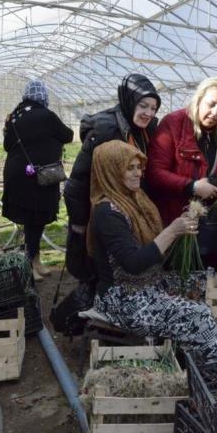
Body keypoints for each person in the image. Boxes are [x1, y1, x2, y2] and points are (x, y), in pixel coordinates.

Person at [89, 142, 217, 362]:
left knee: (207, 282)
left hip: (150, 284)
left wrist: (180, 231)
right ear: (111, 171)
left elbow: (152, 249)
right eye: (129, 168)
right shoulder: (107, 212)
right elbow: (134, 264)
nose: (138, 173)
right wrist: (172, 231)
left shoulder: (135, 199)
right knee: (199, 314)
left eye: (138, 167)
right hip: (124, 300)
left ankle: (201, 356)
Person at [63, 73, 160, 280]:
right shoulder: (106, 129)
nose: (148, 113)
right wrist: (79, 223)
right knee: (97, 267)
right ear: (129, 100)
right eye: (143, 105)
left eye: (153, 108)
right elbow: (78, 180)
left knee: (122, 264)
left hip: (127, 208)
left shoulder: (145, 130)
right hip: (102, 210)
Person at [146, 76, 217, 228]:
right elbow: (154, 172)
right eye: (211, 104)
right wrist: (191, 186)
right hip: (175, 219)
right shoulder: (173, 124)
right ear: (198, 100)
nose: (215, 112)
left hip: (212, 222)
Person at [2, 79, 73, 282]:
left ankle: (35, 261)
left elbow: (7, 145)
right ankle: (29, 264)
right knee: (36, 220)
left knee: (30, 220)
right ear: (43, 96)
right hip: (39, 177)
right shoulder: (47, 116)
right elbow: (67, 135)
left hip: (17, 175)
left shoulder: (14, 116)